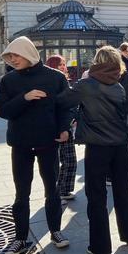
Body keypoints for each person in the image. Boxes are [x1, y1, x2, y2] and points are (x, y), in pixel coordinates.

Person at [58, 46, 128, 254]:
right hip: (120, 146)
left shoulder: (86, 85)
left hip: (97, 146)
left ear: (97, 61)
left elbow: (64, 101)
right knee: (124, 191)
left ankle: (100, 245)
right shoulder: (118, 86)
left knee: (96, 196)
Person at [0, 36, 73, 254]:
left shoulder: (55, 77)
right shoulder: (9, 81)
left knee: (53, 189)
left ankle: (56, 231)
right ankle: (20, 238)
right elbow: (3, 110)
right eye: (10, 56)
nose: (13, 59)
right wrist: (25, 97)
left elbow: (65, 107)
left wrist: (64, 128)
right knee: (22, 193)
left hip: (48, 142)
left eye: (16, 54)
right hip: (20, 144)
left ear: (29, 53)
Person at [46, 55, 78, 202]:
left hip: (66, 125)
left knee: (70, 160)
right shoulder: (50, 82)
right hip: (57, 127)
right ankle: (56, 193)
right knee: (59, 161)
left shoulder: (64, 80)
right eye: (61, 64)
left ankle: (64, 190)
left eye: (64, 64)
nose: (64, 67)